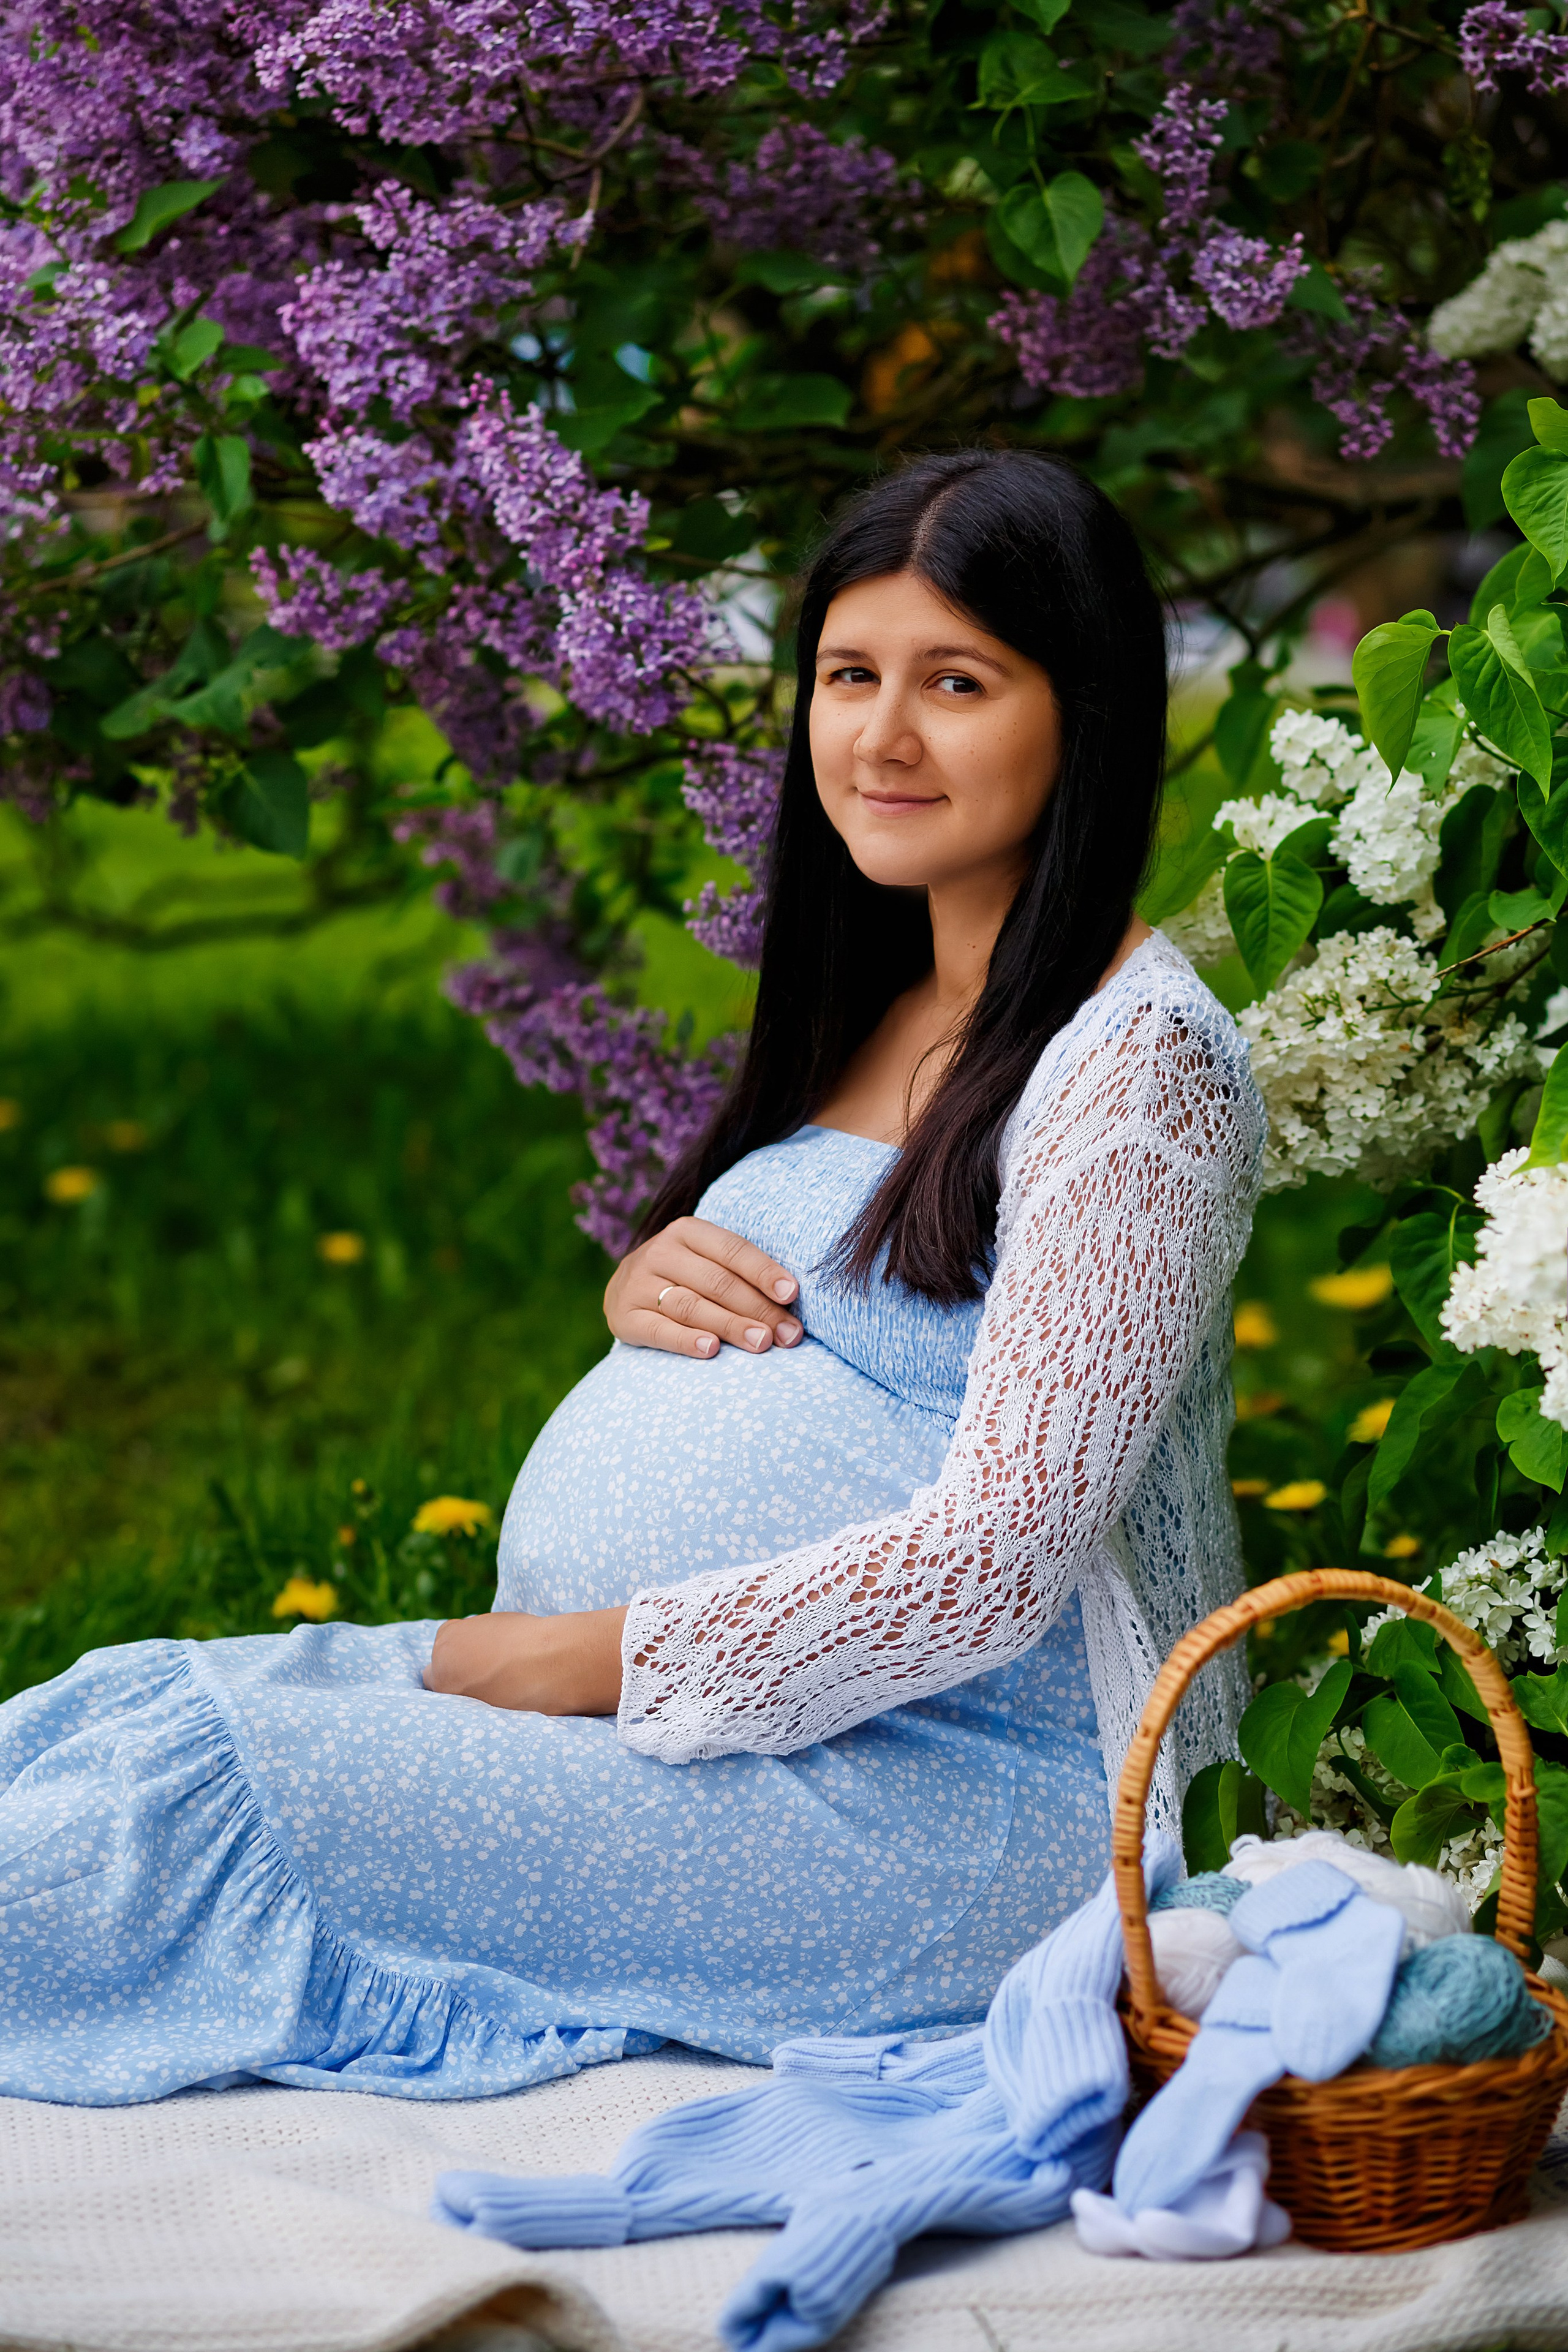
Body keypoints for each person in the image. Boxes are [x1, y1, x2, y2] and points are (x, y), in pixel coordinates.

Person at [0, 450, 1264, 2106]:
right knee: (141, 1713)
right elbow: (868, 1290)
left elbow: (994, 1566)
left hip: (968, 1806)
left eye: (956, 683)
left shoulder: (1138, 1064)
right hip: (734, 1729)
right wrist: (648, 1295)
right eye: (847, 676)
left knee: (232, 1789)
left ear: (1082, 710)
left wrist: (564, 1658)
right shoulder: (888, 987)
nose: (881, 737)